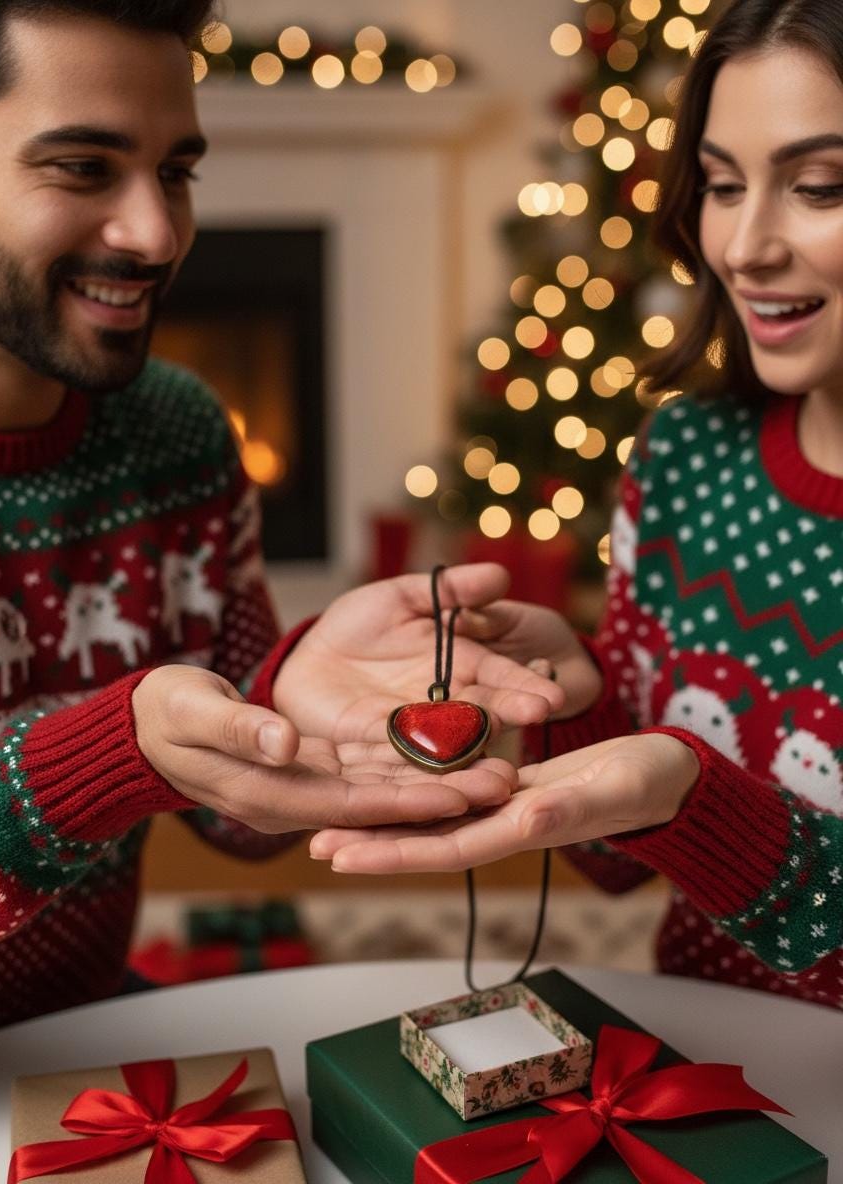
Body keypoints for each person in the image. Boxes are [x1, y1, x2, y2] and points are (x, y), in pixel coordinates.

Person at [0, 0, 567, 1031]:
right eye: (82, 167)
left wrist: (303, 696)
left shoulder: (181, 430)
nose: (157, 234)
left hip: (81, 1027)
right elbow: (131, 749)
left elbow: (236, 813)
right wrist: (108, 753)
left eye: (176, 171)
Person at [314, 0, 843, 1010]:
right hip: (713, 1079)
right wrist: (560, 705)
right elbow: (619, 859)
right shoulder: (684, 457)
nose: (745, 246)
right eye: (724, 186)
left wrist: (691, 793)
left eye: (821, 186)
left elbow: (682, 796)